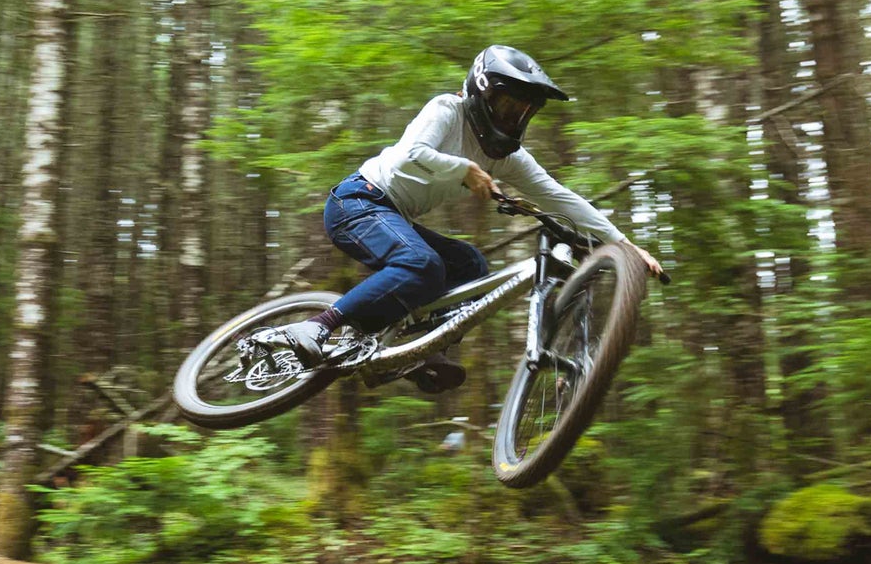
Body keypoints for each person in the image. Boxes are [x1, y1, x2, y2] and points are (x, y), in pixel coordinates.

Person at [274, 46, 664, 391]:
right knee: (421, 264)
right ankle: (316, 326)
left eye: (524, 112)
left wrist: (626, 245)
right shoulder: (447, 109)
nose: (514, 119)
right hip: (357, 201)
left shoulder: (506, 156)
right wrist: (464, 169)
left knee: (472, 265)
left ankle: (421, 347)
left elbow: (560, 197)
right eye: (508, 106)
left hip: (393, 216)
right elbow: (412, 153)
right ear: (481, 93)